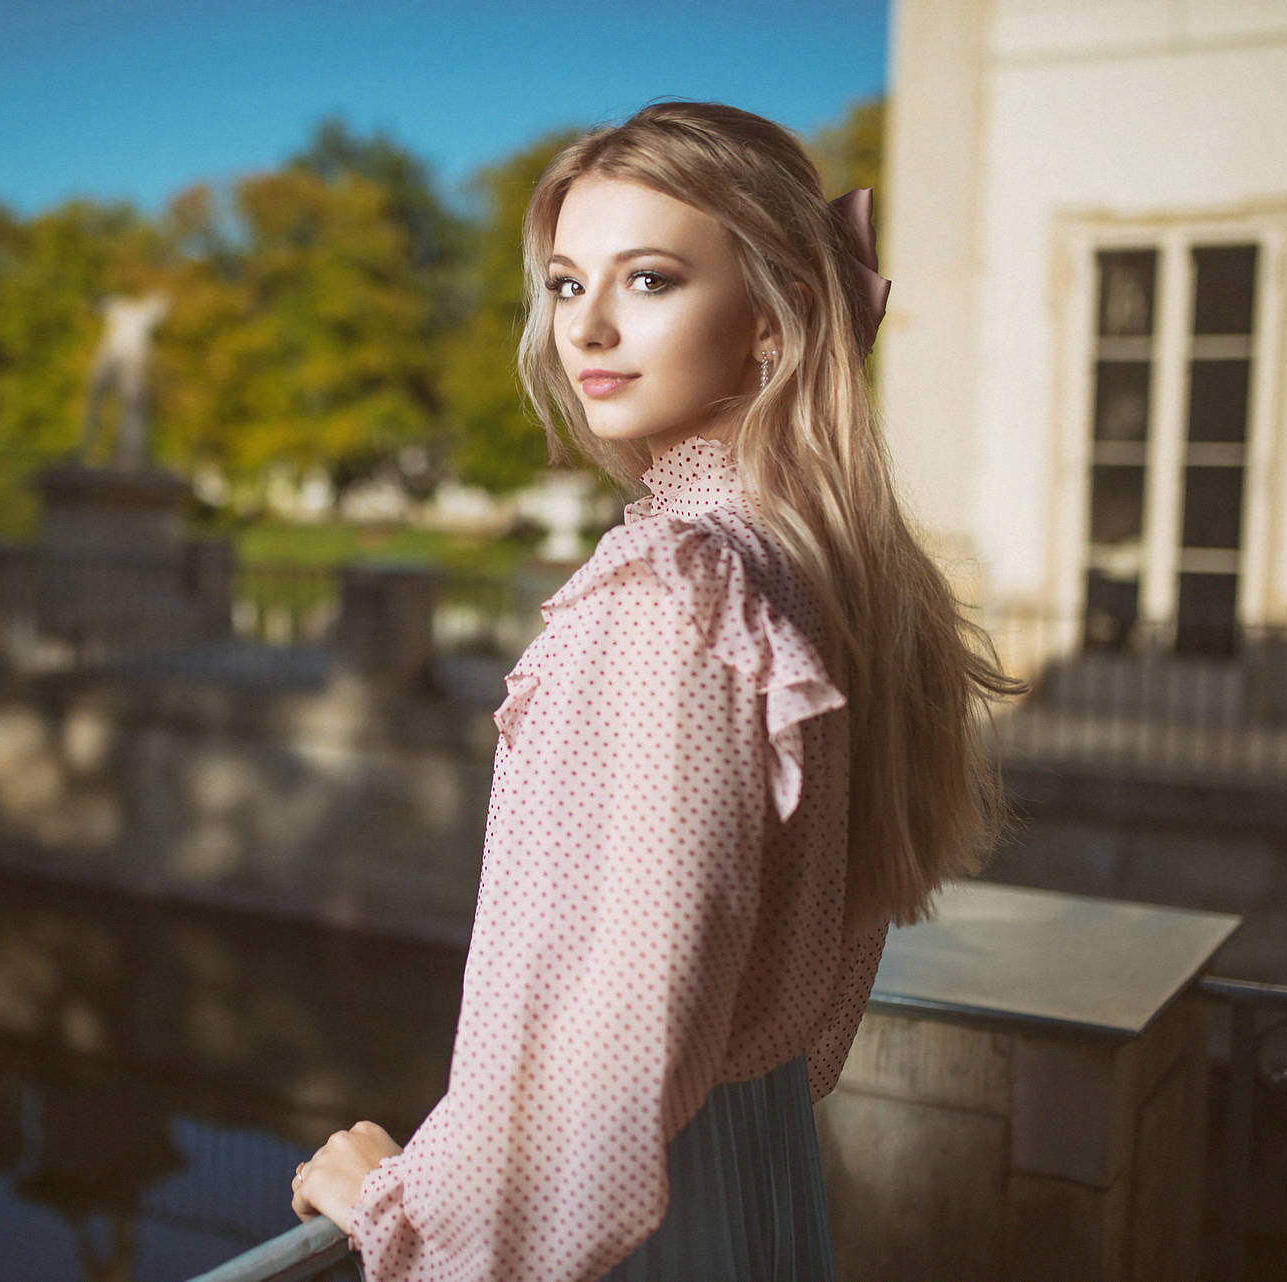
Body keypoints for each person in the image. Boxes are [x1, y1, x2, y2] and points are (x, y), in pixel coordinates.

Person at [288, 100, 1023, 1281]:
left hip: (647, 1213)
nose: (591, 327)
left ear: (772, 325)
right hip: (759, 1162)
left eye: (651, 278)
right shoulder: (817, 566)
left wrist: (395, 1203)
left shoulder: (675, 584)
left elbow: (628, 1028)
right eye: (570, 285)